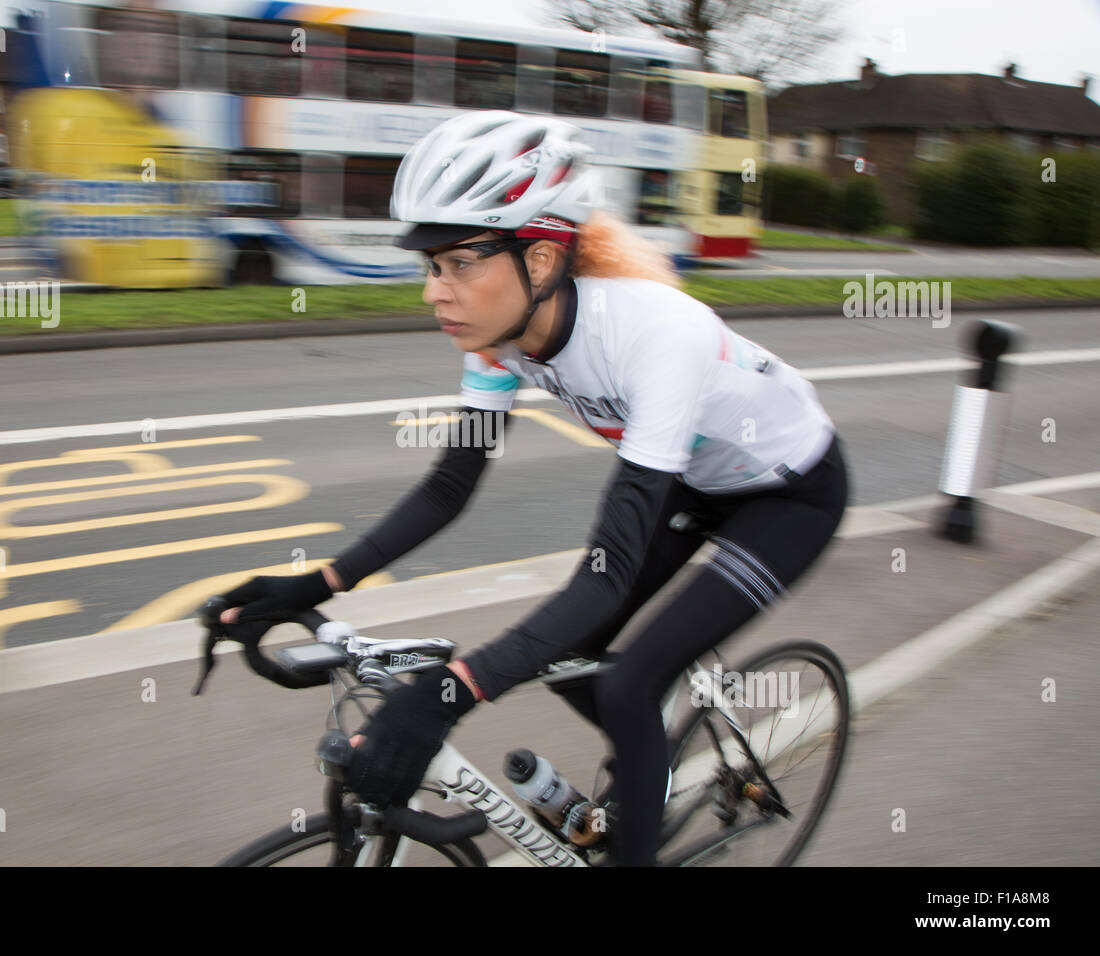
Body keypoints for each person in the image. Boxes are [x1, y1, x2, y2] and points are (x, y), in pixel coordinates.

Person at [214, 110, 850, 866]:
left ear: (541, 261)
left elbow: (606, 574)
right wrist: (315, 582)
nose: (434, 293)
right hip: (695, 476)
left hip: (790, 490)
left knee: (627, 682)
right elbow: (451, 487)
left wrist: (450, 691)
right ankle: (650, 770)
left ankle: (636, 817)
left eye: (458, 264)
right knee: (569, 661)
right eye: (430, 266)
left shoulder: (655, 339)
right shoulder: (503, 341)